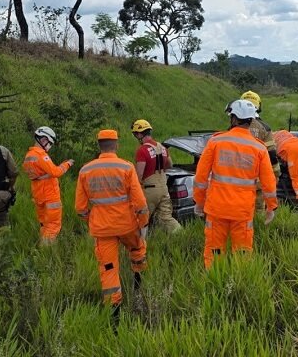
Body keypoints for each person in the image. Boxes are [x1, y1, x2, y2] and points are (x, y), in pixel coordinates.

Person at [75, 129, 149, 323]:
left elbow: (80, 208)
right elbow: (140, 202)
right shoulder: (126, 167)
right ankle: (138, 286)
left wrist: (91, 220)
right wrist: (142, 223)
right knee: (137, 250)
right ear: (116, 145)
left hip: (102, 229)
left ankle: (114, 315)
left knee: (108, 268)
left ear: (99, 146)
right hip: (127, 225)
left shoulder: (85, 170)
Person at [193, 99, 278, 269]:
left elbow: (201, 178)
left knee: (214, 251)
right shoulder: (259, 148)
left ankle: (214, 282)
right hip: (243, 210)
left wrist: (199, 203)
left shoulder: (216, 142)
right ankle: (240, 282)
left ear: (233, 118)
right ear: (251, 120)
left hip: (216, 208)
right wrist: (271, 207)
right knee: (242, 253)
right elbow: (269, 183)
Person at [22, 126, 74, 246]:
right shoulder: (40, 155)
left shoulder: (29, 155)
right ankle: (46, 253)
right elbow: (55, 172)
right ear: (44, 140)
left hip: (38, 193)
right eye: (50, 143)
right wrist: (67, 164)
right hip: (49, 194)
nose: (49, 146)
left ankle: (42, 246)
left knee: (44, 224)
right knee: (53, 225)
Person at [131, 119, 182, 235]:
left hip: (149, 190)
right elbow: (170, 165)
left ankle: (140, 245)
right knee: (167, 218)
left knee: (141, 219)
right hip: (164, 189)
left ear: (139, 134)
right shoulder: (162, 148)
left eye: (135, 134)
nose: (136, 137)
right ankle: (182, 236)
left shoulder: (142, 150)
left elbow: (139, 175)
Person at [239, 91, 281, 212]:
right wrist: (276, 174)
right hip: (257, 179)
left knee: (241, 210)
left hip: (238, 179)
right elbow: (272, 154)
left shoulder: (234, 126)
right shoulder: (264, 128)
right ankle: (257, 229)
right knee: (258, 210)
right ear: (259, 106)